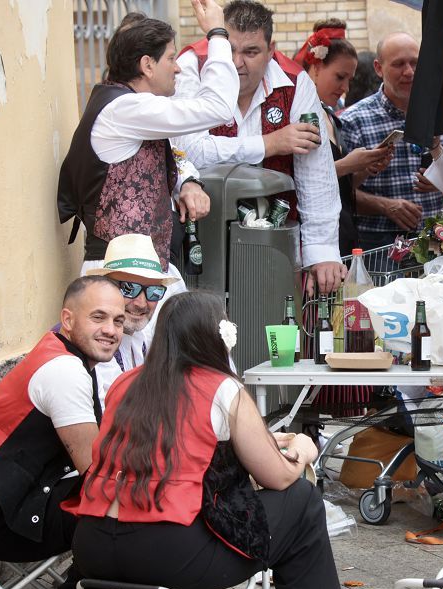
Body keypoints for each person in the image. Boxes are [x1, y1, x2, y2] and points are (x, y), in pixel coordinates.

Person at [70, 292, 370, 589]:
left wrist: (260, 440)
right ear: (217, 335)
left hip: (92, 549)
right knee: (301, 500)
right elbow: (277, 476)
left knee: (180, 512)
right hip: (166, 557)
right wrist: (302, 450)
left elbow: (170, 447)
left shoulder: (125, 383)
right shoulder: (221, 388)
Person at [0, 276, 138, 589]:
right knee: (122, 506)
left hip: (19, 503)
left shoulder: (65, 356)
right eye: (99, 317)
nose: (111, 330)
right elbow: (95, 471)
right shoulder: (64, 371)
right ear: (67, 320)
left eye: (118, 321)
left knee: (129, 495)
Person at [57, 0, 236, 293]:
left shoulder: (129, 109)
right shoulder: (125, 109)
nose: (177, 68)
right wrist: (217, 33)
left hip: (145, 269)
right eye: (171, 58)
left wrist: (187, 181)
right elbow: (218, 107)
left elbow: (166, 156)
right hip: (121, 275)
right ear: (147, 65)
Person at [172, 0, 345, 294]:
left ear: (271, 49)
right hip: (198, 237)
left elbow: (317, 174)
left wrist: (321, 251)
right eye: (229, 49)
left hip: (273, 242)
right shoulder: (190, 67)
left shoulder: (296, 82)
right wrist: (270, 144)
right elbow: (186, 152)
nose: (237, 62)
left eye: (250, 52)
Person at [339, 32, 443, 251]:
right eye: (398, 64)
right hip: (376, 245)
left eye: (415, 63)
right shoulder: (353, 120)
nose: (409, 72)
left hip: (437, 240)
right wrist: (384, 206)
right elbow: (338, 190)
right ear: (378, 68)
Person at [296, 20, 393, 255]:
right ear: (316, 67)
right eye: (340, 77)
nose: (346, 88)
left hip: (342, 236)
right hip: (315, 241)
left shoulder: (330, 116)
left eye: (350, 80)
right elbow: (298, 180)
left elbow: (340, 185)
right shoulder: (298, 115)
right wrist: (349, 164)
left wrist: (364, 168)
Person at [84, 234, 179, 397]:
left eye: (154, 292)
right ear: (105, 287)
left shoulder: (143, 338)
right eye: (129, 288)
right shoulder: (94, 343)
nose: (141, 303)